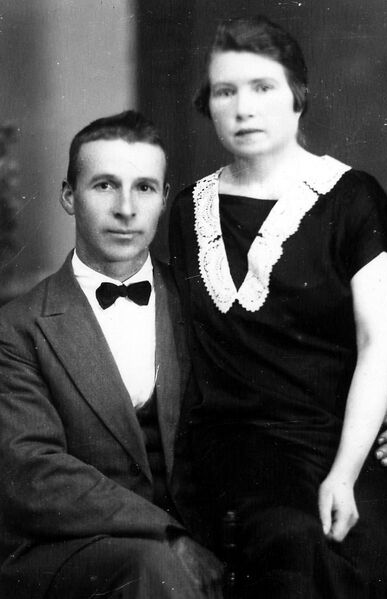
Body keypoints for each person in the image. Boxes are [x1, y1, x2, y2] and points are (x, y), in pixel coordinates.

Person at [169, 16, 387, 598]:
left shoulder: (355, 198)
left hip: (345, 441)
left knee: (351, 541)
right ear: (208, 104)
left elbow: (378, 346)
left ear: (297, 96)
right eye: (225, 91)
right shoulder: (189, 209)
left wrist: (344, 473)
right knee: (294, 540)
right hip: (237, 450)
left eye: (263, 87)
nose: (243, 109)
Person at [0, 111, 223, 599]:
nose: (126, 209)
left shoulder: (200, 302)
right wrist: (168, 536)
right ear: (68, 196)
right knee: (152, 566)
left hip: (205, 534)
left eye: (144, 188)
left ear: (163, 199)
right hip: (75, 549)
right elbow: (33, 474)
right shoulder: (17, 327)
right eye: (104, 186)